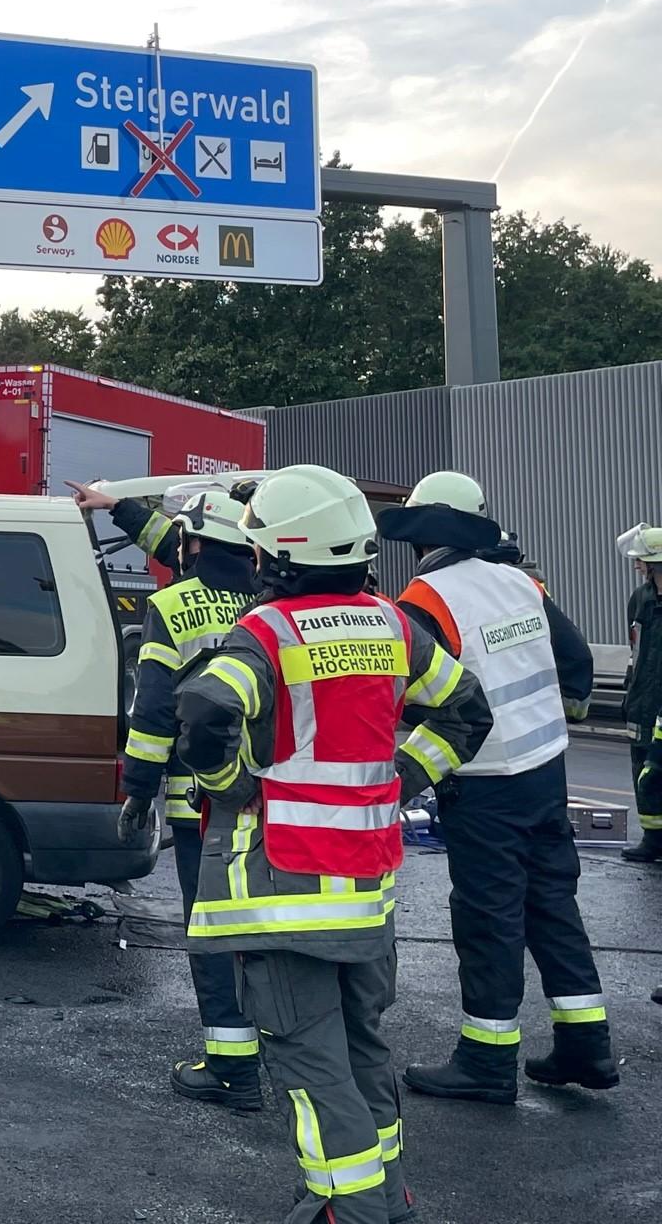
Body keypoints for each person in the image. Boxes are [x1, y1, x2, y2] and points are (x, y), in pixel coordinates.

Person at [173, 465, 491, 1224]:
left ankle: (349, 1210)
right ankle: (388, 1198)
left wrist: (230, 783)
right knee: (361, 1049)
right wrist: (403, 777)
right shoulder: (393, 625)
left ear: (278, 555)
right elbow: (466, 712)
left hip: (286, 891)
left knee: (310, 1064)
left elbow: (205, 710)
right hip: (367, 891)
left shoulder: (269, 632)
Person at [377, 473, 613, 1103]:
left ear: (421, 535)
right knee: (552, 904)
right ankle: (586, 1044)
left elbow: (410, 696)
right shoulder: (520, 581)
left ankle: (486, 1061)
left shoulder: (425, 600)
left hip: (484, 783)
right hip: (546, 770)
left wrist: (402, 768)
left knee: (489, 919)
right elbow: (574, 657)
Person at [116, 486, 263, 1110]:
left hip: (201, 802)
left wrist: (138, 790)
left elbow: (153, 711)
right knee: (267, 929)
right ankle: (277, 1046)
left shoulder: (174, 604)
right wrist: (120, 508)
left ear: (194, 545)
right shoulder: (269, 603)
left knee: (213, 929)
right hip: (275, 799)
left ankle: (232, 1066)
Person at [621, 524, 662, 863]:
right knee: (642, 772)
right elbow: (634, 652)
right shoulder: (640, 599)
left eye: (642, 560)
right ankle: (653, 838)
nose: (636, 565)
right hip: (641, 702)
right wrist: (629, 693)